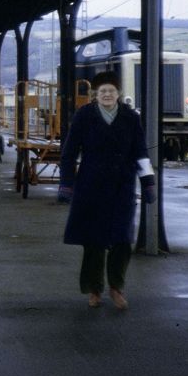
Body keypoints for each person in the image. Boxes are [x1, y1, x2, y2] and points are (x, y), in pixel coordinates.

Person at [57, 71, 156, 310]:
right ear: (95, 95)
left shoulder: (131, 117)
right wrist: (66, 185)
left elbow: (140, 152)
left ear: (119, 93)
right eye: (103, 91)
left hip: (122, 185)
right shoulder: (84, 116)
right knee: (94, 240)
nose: (107, 94)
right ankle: (94, 290)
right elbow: (69, 153)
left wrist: (148, 182)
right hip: (90, 185)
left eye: (111, 90)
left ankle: (116, 288)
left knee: (122, 239)